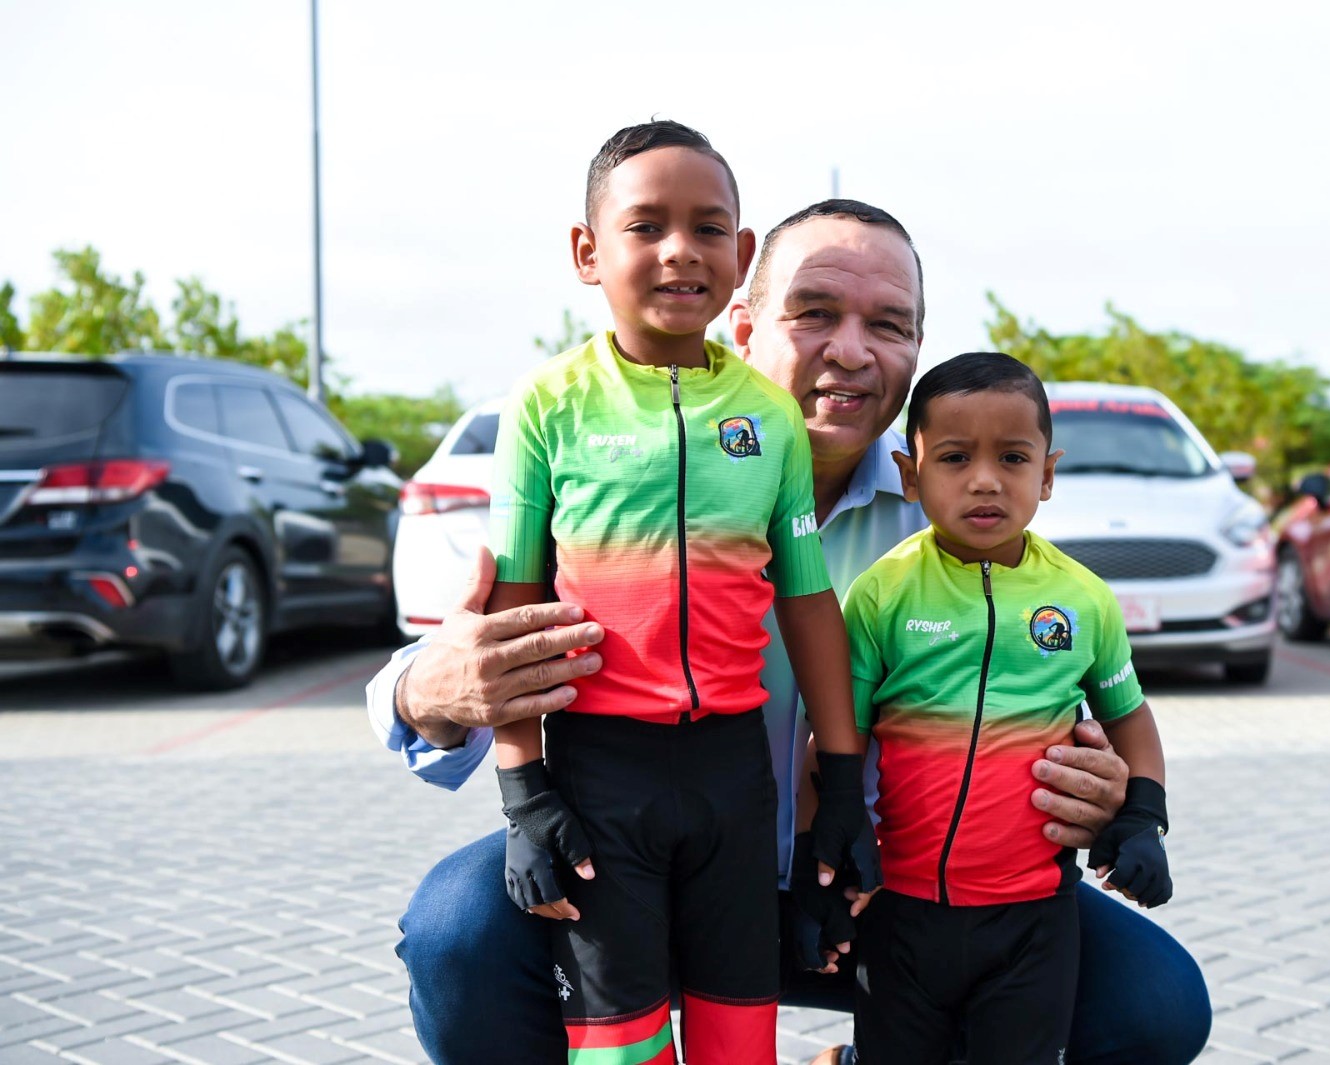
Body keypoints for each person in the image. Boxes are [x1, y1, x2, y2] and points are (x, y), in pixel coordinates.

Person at [368, 199, 1213, 1064]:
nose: (852, 349)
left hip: (889, 895)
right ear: (740, 319)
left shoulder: (962, 521)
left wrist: (1106, 796)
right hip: (639, 867)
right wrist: (426, 691)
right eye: (814, 312)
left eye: (889, 323)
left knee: (1152, 1004)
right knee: (458, 929)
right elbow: (439, 671)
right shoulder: (604, 459)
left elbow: (1073, 696)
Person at [479, 120, 867, 1065]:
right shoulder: (549, 405)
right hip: (600, 775)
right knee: (618, 1044)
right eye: (646, 226)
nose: (679, 250)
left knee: (741, 1037)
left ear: (740, 256)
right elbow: (512, 610)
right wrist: (522, 788)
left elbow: (808, 603)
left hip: (736, 775)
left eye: (707, 228)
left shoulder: (769, 414)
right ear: (587, 251)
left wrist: (846, 779)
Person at [834, 352, 1174, 1063]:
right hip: (900, 908)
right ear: (909, 473)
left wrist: (1143, 816)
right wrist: (826, 847)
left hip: (1035, 919)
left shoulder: (1083, 598)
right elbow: (838, 733)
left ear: (1047, 473)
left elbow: (1130, 716)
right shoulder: (882, 593)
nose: (985, 479)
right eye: (954, 457)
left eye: (1013, 457)